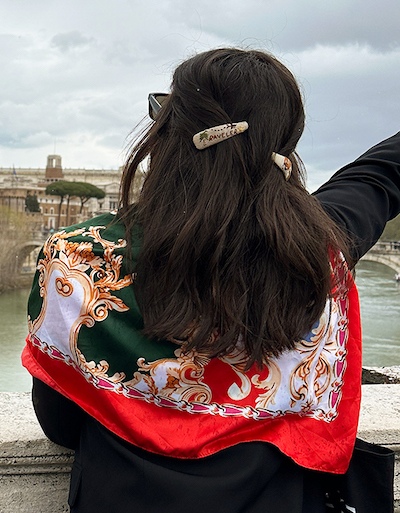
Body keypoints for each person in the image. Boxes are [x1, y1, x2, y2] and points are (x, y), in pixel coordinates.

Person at [23, 48, 400, 512]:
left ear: (166, 135)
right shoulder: (315, 257)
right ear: (285, 148)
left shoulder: (81, 257)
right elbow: (378, 178)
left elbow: (61, 420)